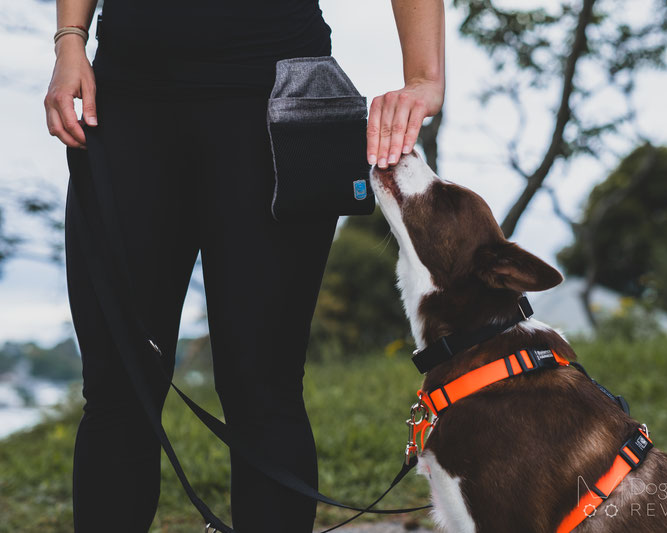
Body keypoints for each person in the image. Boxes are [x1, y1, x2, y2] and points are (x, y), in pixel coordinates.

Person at [44, 0, 444, 531]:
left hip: (279, 101)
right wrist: (70, 36)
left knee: (265, 390)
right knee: (119, 389)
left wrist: (424, 76)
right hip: (126, 101)